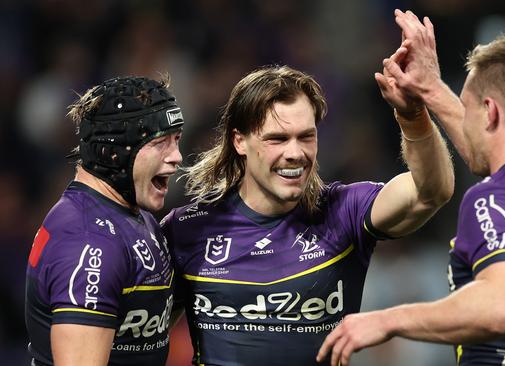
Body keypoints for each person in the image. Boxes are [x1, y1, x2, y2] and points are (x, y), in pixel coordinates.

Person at [318, 10, 505, 366]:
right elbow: (502, 160)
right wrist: (430, 88)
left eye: (467, 109)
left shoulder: (496, 196)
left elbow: (504, 308)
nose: (464, 120)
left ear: (490, 112)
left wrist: (387, 319)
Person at [160, 64, 454, 365]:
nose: (295, 153)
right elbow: (146, 336)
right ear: (240, 141)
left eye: (306, 137)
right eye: (277, 139)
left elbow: (431, 191)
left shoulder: (343, 211)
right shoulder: (186, 230)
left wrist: (413, 117)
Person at [25, 76, 185, 365]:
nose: (177, 157)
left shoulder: (132, 217)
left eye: (176, 140)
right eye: (161, 142)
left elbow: (141, 332)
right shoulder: (88, 241)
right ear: (113, 151)